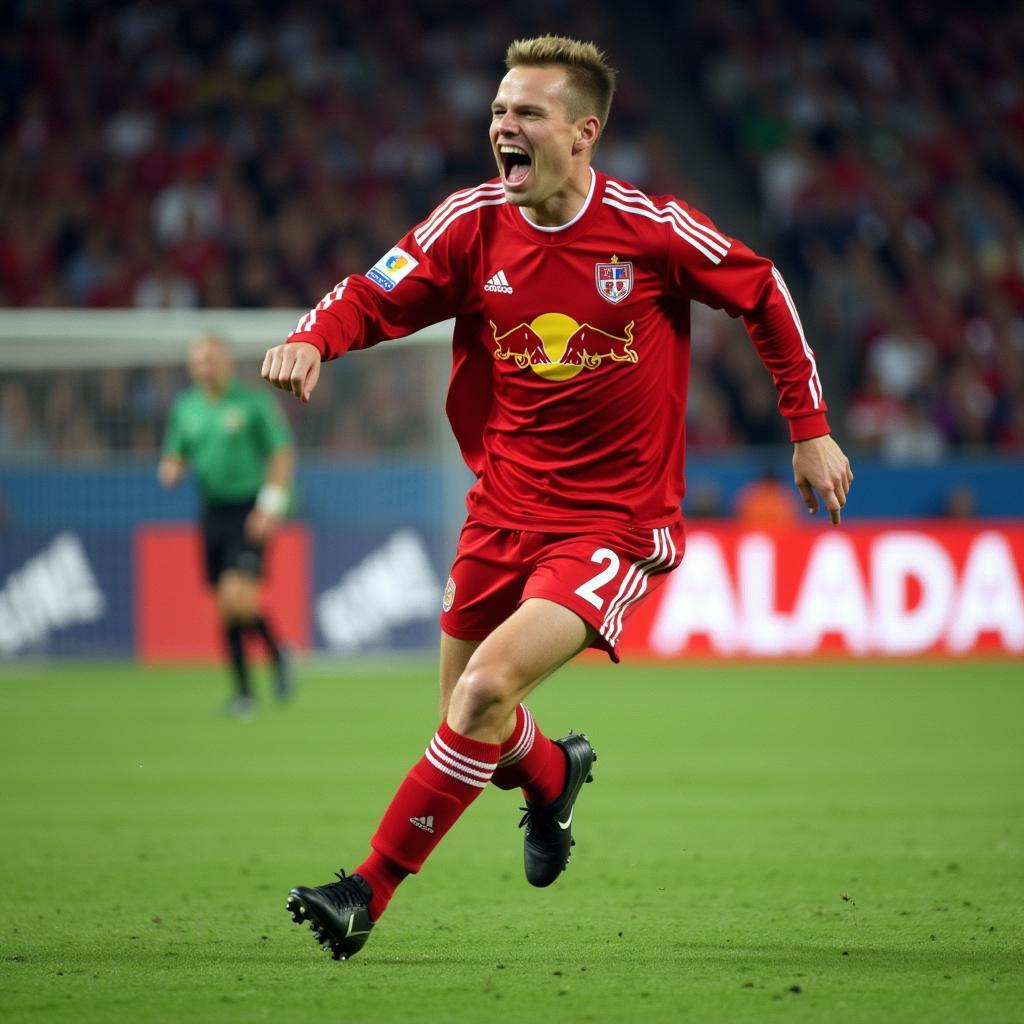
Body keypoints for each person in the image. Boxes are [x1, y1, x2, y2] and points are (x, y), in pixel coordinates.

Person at [262, 35, 853, 961]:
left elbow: (764, 289)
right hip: (500, 508)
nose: (505, 126)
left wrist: (807, 424)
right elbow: (374, 293)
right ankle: (552, 775)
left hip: (614, 523)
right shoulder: (470, 223)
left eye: (527, 113)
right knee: (472, 718)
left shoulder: (651, 230)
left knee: (486, 691)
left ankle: (365, 891)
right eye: (500, 110)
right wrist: (314, 340)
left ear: (584, 134)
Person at [159, 332, 296, 715]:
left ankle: (258, 678)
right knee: (226, 606)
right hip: (212, 511)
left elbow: (281, 452)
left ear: (228, 363)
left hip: (249, 509)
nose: (207, 365)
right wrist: (171, 467)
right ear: (191, 366)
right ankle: (258, 677)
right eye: (200, 359)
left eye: (213, 358)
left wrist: (271, 504)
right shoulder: (185, 408)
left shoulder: (252, 402)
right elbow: (176, 451)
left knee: (239, 598)